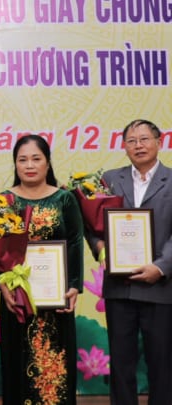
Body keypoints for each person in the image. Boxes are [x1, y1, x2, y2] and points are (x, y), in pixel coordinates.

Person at [86, 119, 172, 405]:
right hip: (119, 287)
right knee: (121, 364)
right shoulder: (110, 180)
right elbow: (91, 223)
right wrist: (100, 248)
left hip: (161, 287)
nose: (139, 145)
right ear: (124, 146)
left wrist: (160, 267)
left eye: (145, 139)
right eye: (132, 141)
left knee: (162, 363)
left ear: (159, 142)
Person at [0, 134, 84, 404]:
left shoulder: (65, 199)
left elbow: (75, 243)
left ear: (47, 163)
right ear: (15, 164)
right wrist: (2, 284)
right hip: (17, 298)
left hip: (56, 299)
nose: (29, 165)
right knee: (17, 362)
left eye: (36, 159)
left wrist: (74, 286)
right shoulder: (3, 201)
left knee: (55, 366)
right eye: (22, 160)